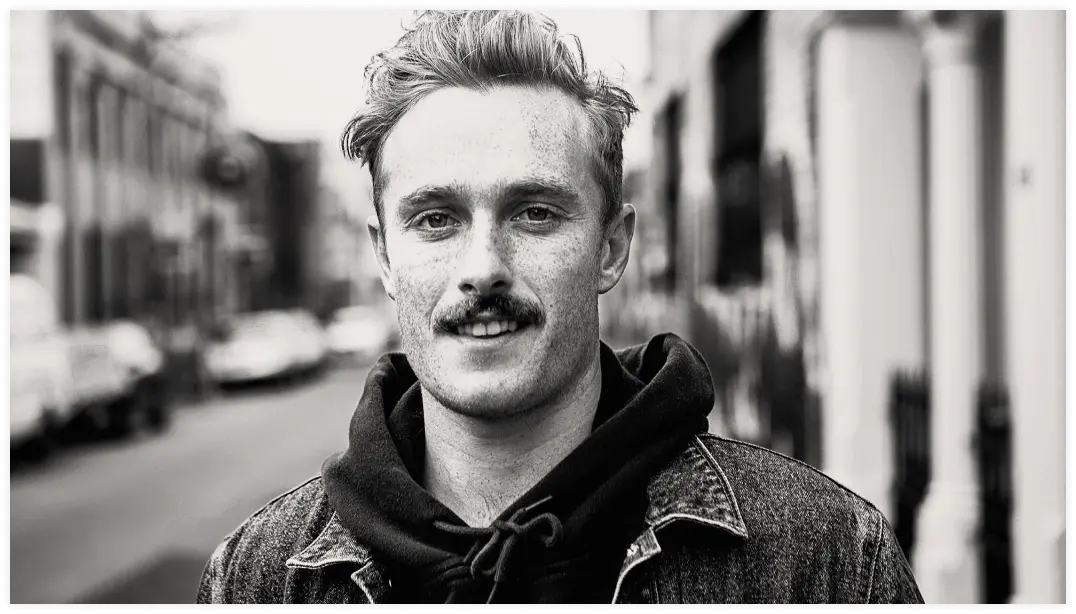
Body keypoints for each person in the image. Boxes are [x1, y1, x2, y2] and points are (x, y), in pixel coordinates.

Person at [197, 10, 923, 605]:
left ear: (611, 248)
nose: (482, 268)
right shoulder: (259, 579)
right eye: (436, 219)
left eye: (535, 213)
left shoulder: (824, 563)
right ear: (385, 257)